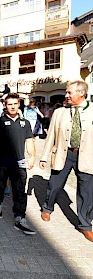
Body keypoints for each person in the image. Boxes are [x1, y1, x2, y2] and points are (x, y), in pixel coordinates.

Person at [40, 81, 93, 242]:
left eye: (70, 93)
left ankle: (85, 225)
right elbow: (51, 137)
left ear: (81, 93)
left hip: (86, 156)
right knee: (55, 184)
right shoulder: (60, 113)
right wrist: (44, 156)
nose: (66, 95)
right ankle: (47, 207)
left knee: (86, 191)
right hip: (64, 154)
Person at [0, 93, 36, 235]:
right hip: (1, 162)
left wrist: (32, 157)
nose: (12, 106)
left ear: (19, 104)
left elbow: (30, 141)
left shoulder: (25, 123)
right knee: (0, 185)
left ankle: (19, 218)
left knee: (20, 190)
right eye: (9, 104)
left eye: (15, 103)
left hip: (19, 163)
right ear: (5, 105)